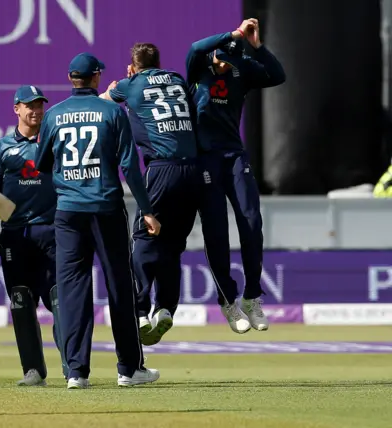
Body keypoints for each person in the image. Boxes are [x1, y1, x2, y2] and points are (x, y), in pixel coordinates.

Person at [35, 52, 161, 389]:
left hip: (68, 212)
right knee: (120, 286)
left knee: (73, 289)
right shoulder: (111, 112)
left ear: (70, 78)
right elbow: (130, 167)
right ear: (96, 78)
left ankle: (76, 372)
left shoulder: (54, 114)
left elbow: (42, 162)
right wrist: (147, 209)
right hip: (105, 208)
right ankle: (129, 369)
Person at [99, 43, 203, 346]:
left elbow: (102, 102)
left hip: (162, 169)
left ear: (133, 65)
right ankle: (166, 308)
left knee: (145, 237)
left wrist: (117, 86)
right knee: (172, 243)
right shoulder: (176, 79)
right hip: (193, 172)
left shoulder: (129, 85)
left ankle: (141, 310)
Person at [186, 18, 286, 333]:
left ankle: (251, 297)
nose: (224, 67)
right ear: (213, 55)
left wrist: (257, 46)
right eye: (220, 60)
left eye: (229, 62)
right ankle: (228, 302)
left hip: (233, 156)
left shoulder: (241, 69)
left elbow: (277, 75)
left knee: (251, 222)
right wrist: (233, 33)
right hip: (205, 160)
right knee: (217, 232)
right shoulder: (198, 69)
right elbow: (194, 47)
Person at [0, 85, 67, 386]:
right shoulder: (3, 146)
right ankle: (33, 370)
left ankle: (73, 369)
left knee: (60, 301)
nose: (36, 110)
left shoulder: (55, 142)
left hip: (52, 230)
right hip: (15, 235)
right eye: (29, 105)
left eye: (40, 105)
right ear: (16, 108)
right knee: (20, 300)